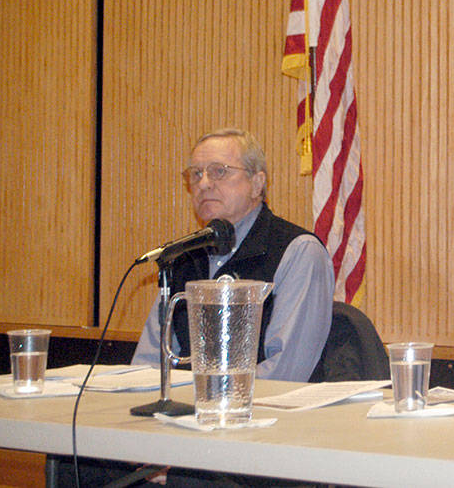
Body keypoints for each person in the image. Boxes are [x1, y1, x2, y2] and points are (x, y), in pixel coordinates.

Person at [133, 128, 334, 382]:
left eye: (219, 171)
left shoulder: (298, 251)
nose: (203, 184)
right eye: (196, 174)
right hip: (189, 412)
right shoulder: (183, 257)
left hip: (268, 415)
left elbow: (284, 373)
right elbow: (148, 365)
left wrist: (207, 397)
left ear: (257, 184)